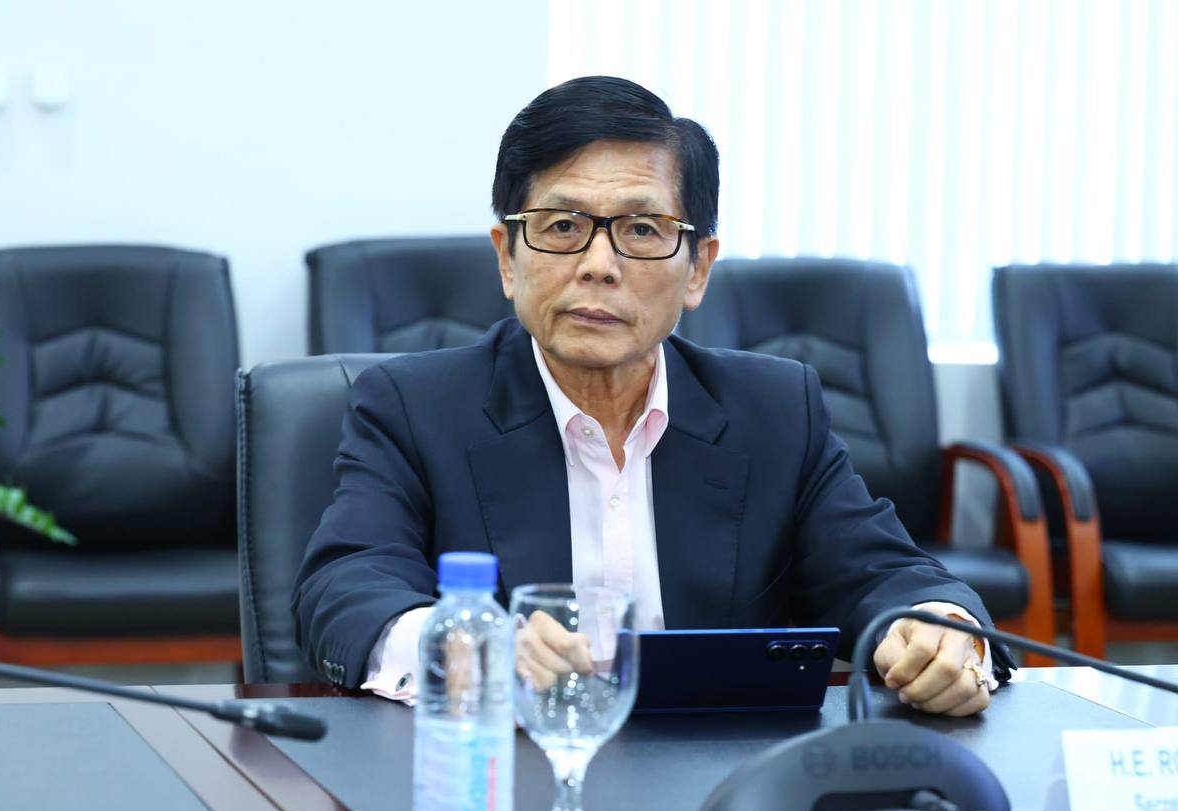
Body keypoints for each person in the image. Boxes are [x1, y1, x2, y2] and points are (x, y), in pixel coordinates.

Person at [294, 76, 1011, 717]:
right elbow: (347, 588)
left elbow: (883, 573)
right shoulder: (413, 407)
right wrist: (470, 646)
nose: (598, 265)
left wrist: (940, 630)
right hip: (502, 773)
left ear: (698, 268)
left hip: (713, 781)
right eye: (562, 227)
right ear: (507, 258)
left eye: (642, 230)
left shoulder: (774, 410)